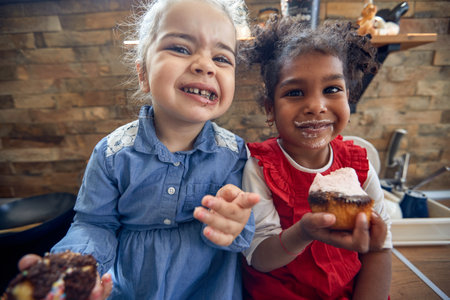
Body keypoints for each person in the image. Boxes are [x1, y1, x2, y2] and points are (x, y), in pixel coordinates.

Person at [17, 0, 260, 299]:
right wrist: (76, 266)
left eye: (222, 58)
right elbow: (94, 224)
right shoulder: (111, 153)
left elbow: (245, 231)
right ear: (143, 74)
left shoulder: (234, 153)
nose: (205, 65)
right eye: (181, 48)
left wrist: (236, 223)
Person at [241, 17, 392, 300]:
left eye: (332, 90)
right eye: (295, 92)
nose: (316, 106)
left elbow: (379, 251)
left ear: (349, 96)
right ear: (270, 108)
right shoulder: (260, 168)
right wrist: (304, 232)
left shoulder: (359, 167)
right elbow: (259, 256)